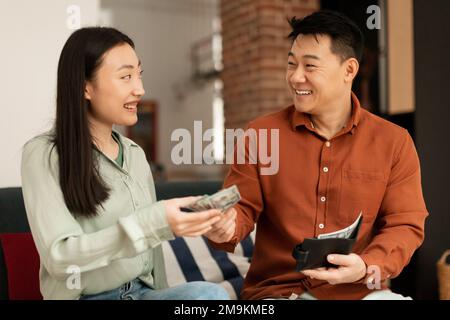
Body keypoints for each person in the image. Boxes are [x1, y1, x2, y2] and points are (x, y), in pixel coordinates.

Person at [205, 11, 428, 300]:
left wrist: (365, 265)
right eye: (291, 64)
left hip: (359, 291)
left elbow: (404, 223)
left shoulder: (394, 142)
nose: (296, 77)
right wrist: (227, 227)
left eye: (310, 66)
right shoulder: (260, 134)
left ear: (349, 70)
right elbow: (242, 207)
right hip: (279, 292)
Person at [21, 27, 229, 300]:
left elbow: (153, 254)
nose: (139, 89)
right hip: (87, 297)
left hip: (142, 293)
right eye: (126, 76)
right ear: (86, 86)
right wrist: (153, 222)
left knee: (209, 296)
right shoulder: (44, 155)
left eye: (139, 75)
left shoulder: (134, 153)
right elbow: (60, 258)